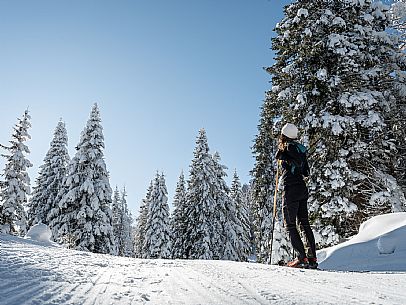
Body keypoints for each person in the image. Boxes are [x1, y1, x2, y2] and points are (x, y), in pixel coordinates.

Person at [275, 123, 317, 269]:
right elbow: (306, 171)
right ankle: (312, 258)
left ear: (284, 135)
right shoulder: (300, 149)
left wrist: (284, 156)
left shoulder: (289, 147)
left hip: (291, 189)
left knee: (290, 224)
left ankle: (301, 257)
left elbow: (296, 161)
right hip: (301, 188)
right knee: (304, 223)